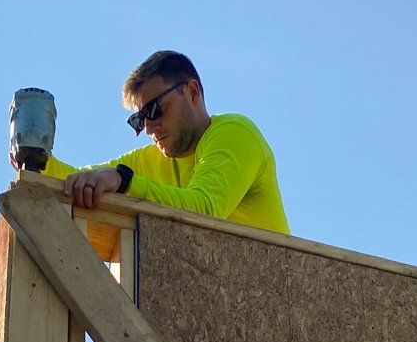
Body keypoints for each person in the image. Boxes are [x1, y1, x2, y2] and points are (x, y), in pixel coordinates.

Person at [42, 50, 290, 235]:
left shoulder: (235, 133)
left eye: (154, 109)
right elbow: (76, 179)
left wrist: (124, 181)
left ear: (192, 92)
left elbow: (203, 209)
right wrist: (36, 157)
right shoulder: (151, 160)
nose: (148, 127)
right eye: (139, 118)